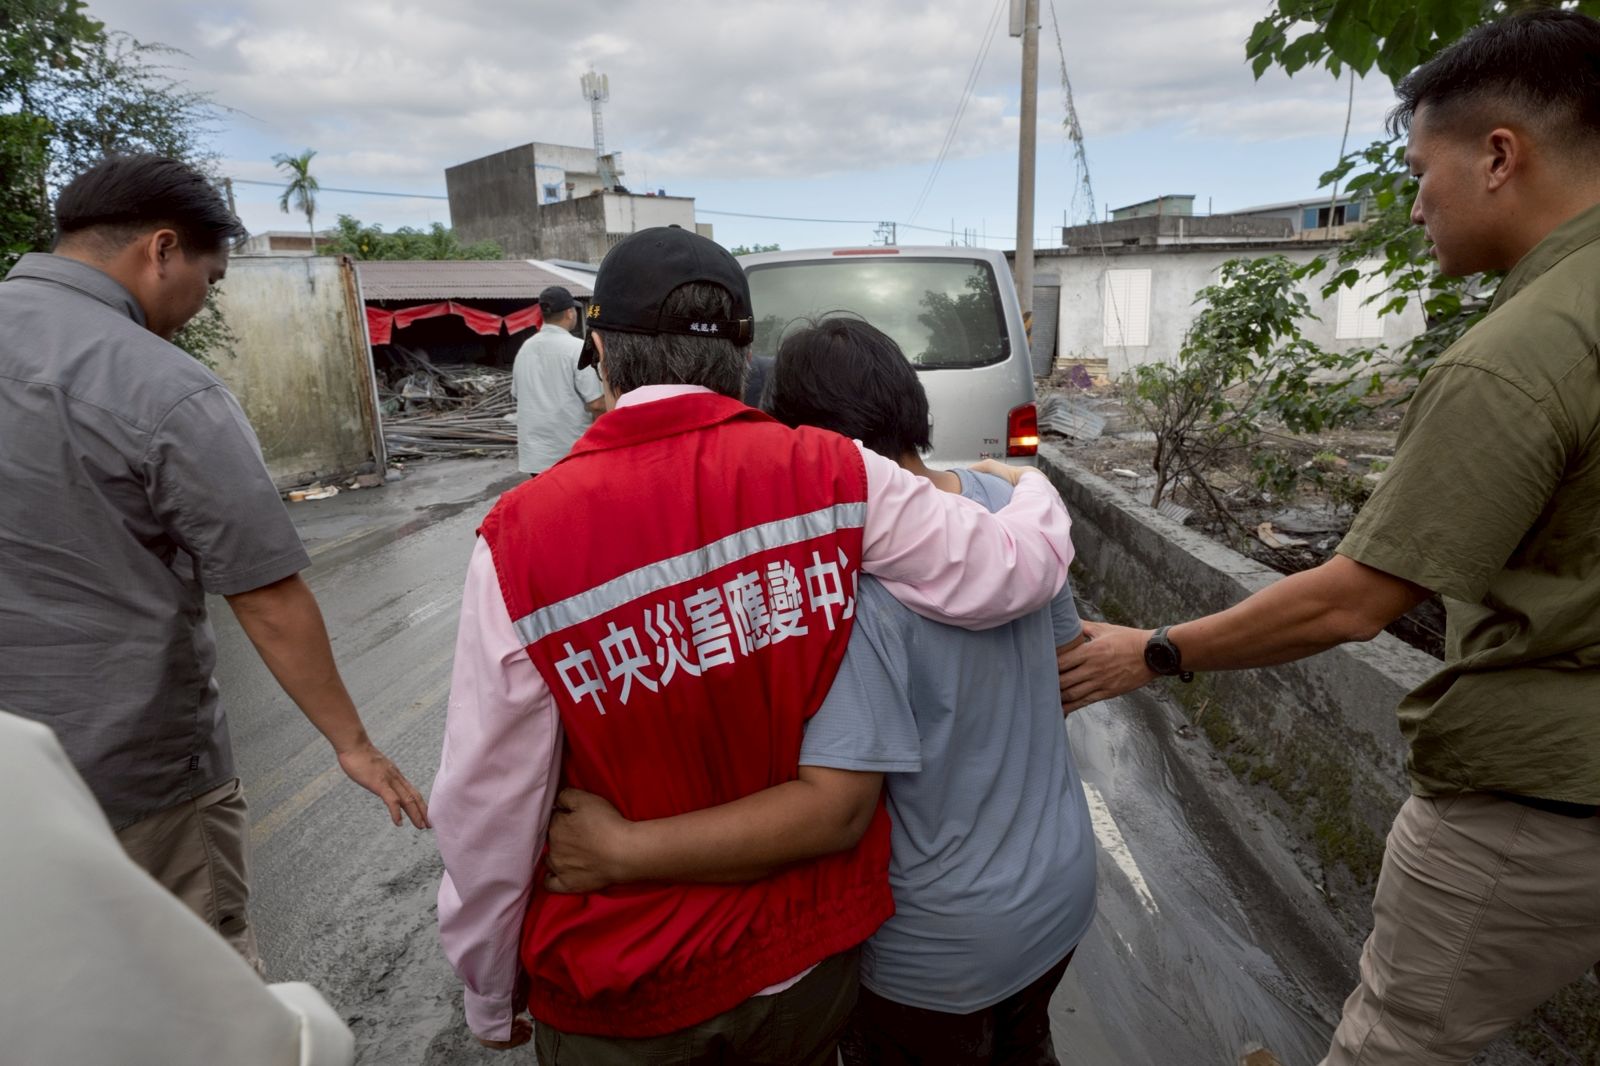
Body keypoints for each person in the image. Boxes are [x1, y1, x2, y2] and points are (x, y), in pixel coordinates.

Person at [1058, 11, 1600, 1065]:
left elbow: (1356, 599)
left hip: (1536, 796)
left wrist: (1156, 647)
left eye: (1418, 170)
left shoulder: (1518, 352)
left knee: (1395, 1041)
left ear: (1498, 156)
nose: (1411, 203)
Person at [430, 225, 1076, 1062]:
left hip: (626, 989)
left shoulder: (517, 539)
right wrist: (1033, 489)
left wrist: (489, 990)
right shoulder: (835, 475)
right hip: (802, 970)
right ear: (744, 349)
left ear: (601, 347)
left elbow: (488, 799)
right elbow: (1005, 570)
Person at [0, 155, 428, 971]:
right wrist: (354, 744)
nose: (203, 303)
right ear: (161, 249)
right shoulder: (163, 389)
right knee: (193, 994)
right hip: (130, 784)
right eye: (211, 275)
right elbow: (265, 594)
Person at [0, 710, 355, 1066]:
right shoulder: (19, 753)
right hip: (155, 787)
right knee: (212, 988)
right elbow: (267, 1041)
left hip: (125, 789)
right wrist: (354, 745)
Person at [512, 283, 604, 475]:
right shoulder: (576, 348)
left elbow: (517, 394)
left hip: (535, 455)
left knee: (545, 503)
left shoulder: (525, 349)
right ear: (570, 313)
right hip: (568, 452)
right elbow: (596, 403)